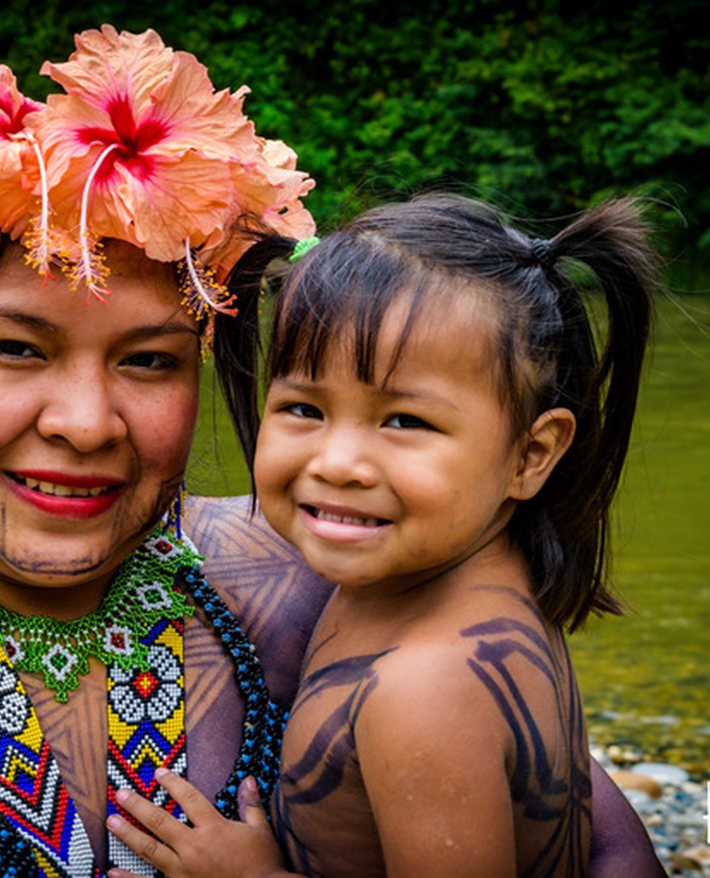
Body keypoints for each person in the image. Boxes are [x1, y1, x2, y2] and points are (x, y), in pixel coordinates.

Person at [0, 26, 660, 878]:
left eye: (148, 359)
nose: (88, 422)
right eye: (13, 347)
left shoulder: (320, 568)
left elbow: (595, 847)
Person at [106, 194, 663, 877]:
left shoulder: (422, 692)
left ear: (531, 454)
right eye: (304, 408)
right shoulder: (474, 578)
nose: (336, 463)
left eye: (404, 422)